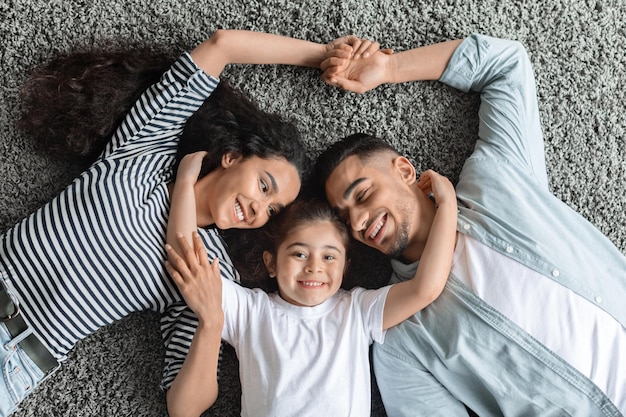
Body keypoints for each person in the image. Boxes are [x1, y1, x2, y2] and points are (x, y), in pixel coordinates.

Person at [0, 29, 381, 416]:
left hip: (16, 361)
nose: (258, 209)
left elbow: (185, 407)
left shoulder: (208, 266)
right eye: (264, 186)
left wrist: (212, 322)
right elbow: (222, 46)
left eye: (271, 211)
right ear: (233, 157)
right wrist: (325, 55)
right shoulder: (146, 149)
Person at [316, 34, 626, 416]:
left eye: (362, 196)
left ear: (405, 170)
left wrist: (391, 68)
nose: (359, 222)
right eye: (346, 218)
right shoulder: (399, 338)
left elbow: (507, 65)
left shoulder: (495, 181)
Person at [163, 165, 458, 416]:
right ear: (271, 263)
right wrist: (185, 185)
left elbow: (425, 288)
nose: (314, 268)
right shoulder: (250, 310)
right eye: (299, 254)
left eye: (329, 257)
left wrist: (446, 206)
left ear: (344, 267)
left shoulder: (357, 310)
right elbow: (188, 261)